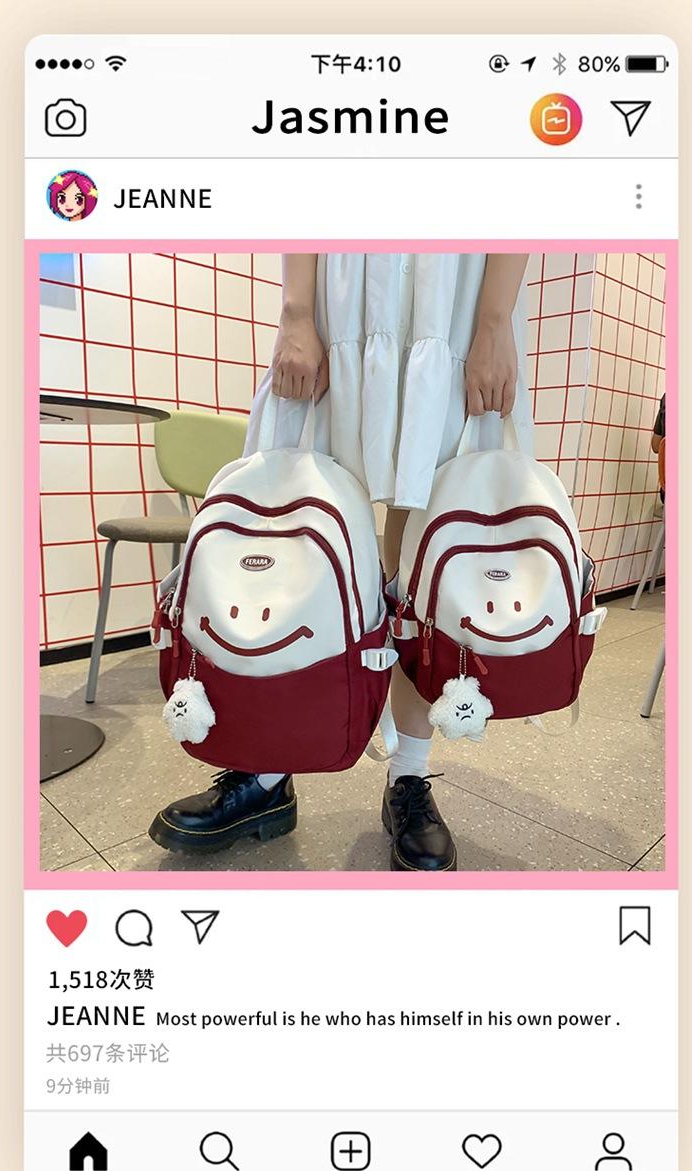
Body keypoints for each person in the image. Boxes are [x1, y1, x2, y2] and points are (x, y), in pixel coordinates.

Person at [149, 253, 533, 870]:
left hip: (453, 299)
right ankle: (267, 773)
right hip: (345, 290)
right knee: (295, 533)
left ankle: (408, 777)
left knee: (425, 565)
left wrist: (495, 320)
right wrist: (296, 312)